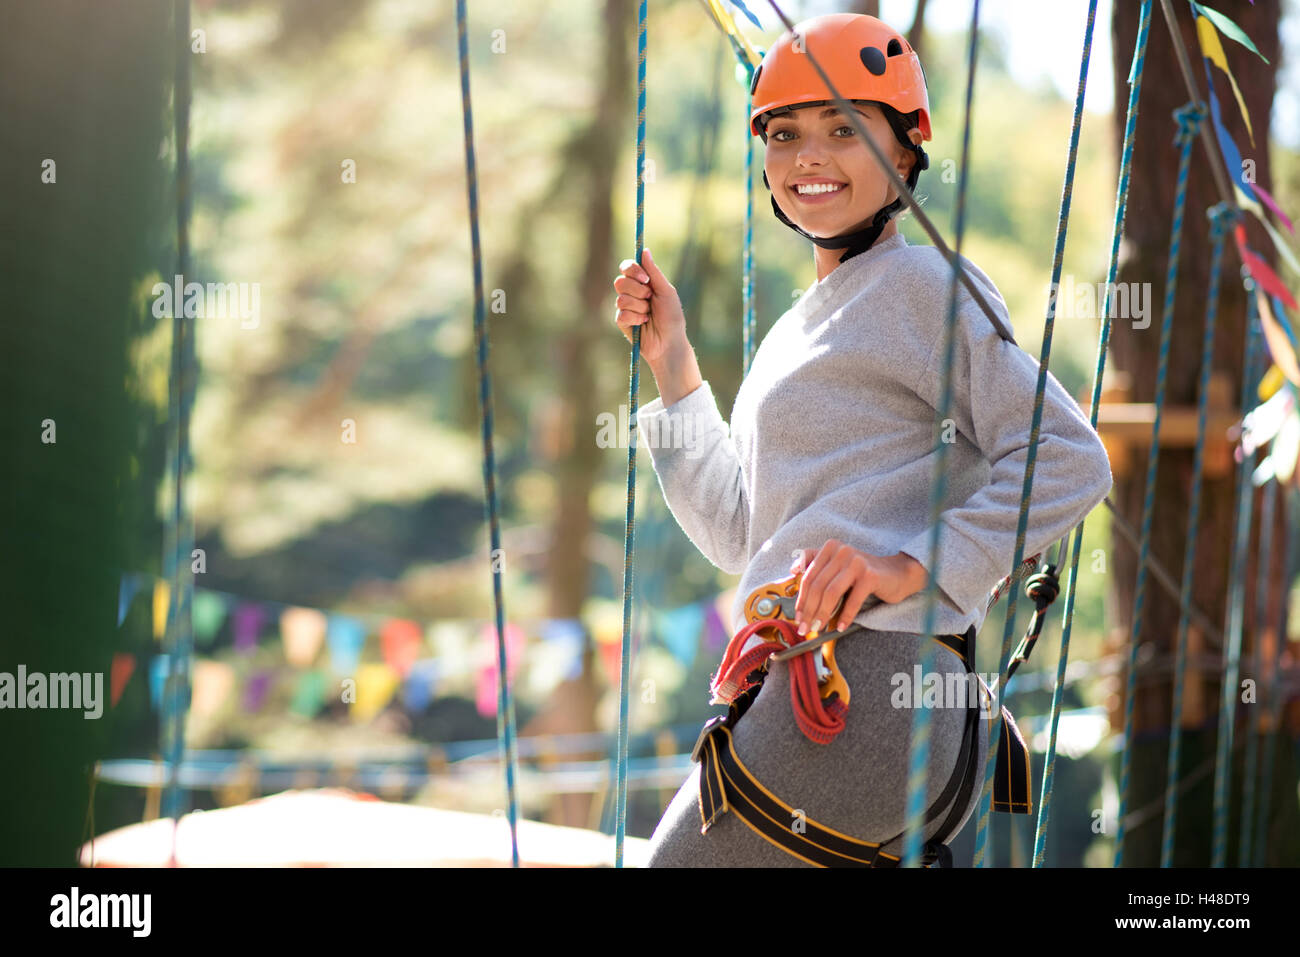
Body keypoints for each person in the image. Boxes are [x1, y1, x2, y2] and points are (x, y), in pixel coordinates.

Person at [611, 13, 1112, 867]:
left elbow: (1067, 456)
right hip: (823, 691)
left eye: (845, 128)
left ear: (907, 152)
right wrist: (675, 368)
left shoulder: (924, 284)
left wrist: (907, 565)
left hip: (875, 686)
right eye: (785, 133)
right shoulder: (790, 337)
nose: (809, 155)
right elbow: (743, 534)